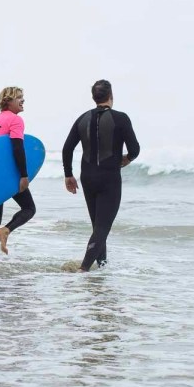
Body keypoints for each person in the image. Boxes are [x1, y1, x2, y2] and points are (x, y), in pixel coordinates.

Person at [62, 79, 140, 272]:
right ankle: (84, 269)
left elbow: (67, 148)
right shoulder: (120, 118)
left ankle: (102, 269)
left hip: (87, 178)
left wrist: (68, 175)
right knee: (102, 227)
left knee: (98, 226)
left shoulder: (83, 118)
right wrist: (127, 159)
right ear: (111, 95)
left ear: (93, 97)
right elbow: (135, 149)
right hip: (109, 178)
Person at [0, 86, 36, 255]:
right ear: (9, 101)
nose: (23, 100)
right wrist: (24, 175)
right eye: (19, 97)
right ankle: (7, 230)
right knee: (29, 209)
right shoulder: (15, 120)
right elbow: (18, 148)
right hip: (9, 175)